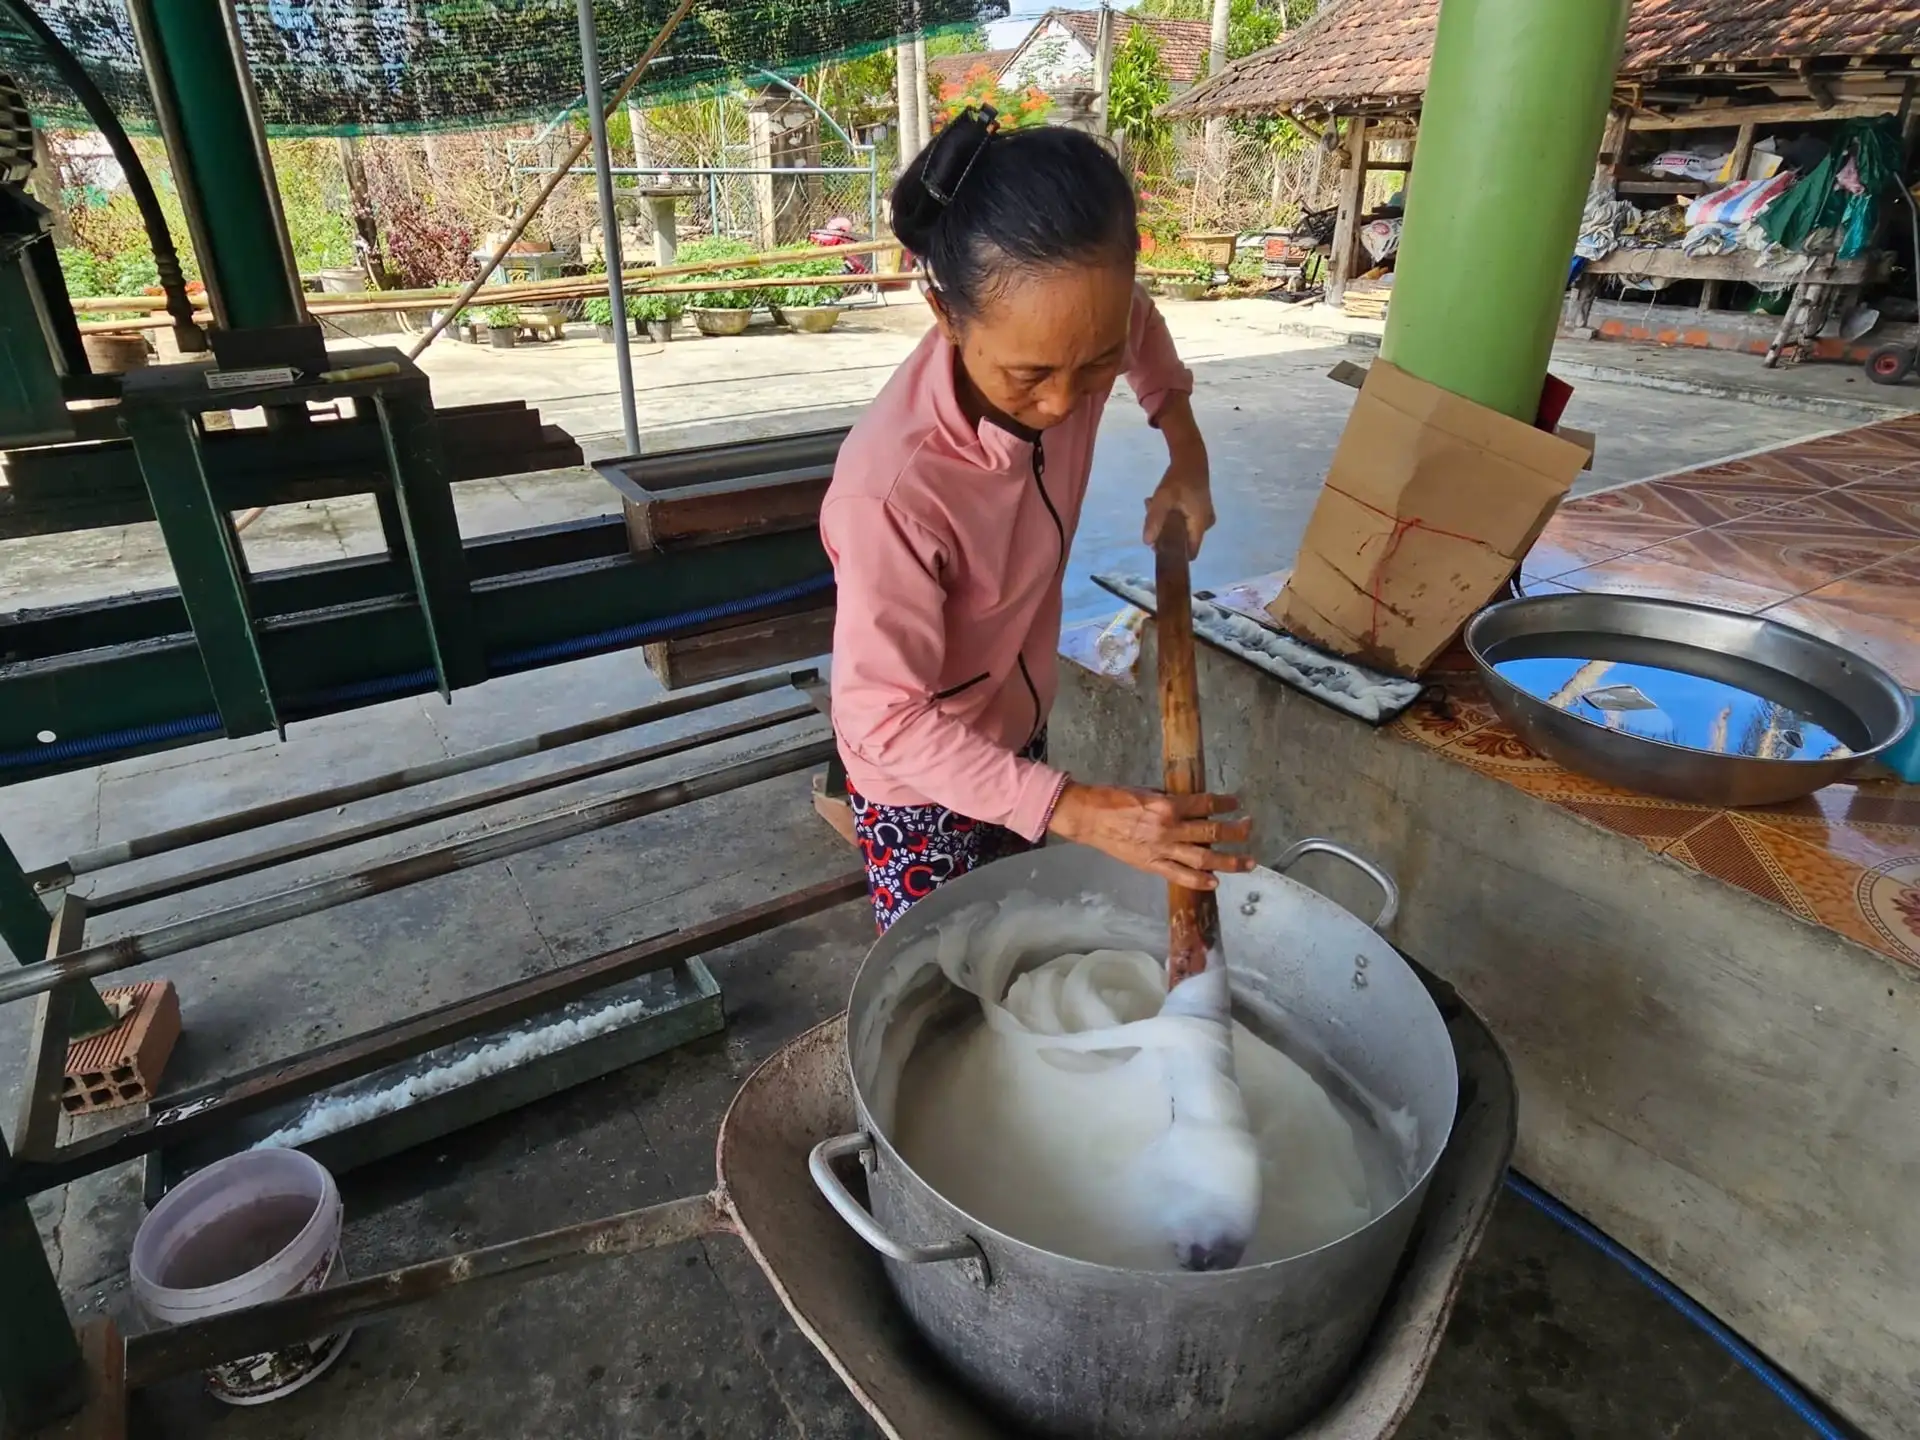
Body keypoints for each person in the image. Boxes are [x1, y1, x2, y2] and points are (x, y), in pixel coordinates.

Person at [821, 107, 1253, 933]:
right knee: (949, 979)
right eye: (1029, 375)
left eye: (1092, 366)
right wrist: (1076, 810)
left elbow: (1141, 328)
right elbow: (880, 715)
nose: (1061, 403)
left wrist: (1185, 451)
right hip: (919, 783)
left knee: (1022, 929)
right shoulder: (893, 493)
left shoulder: (1090, 323)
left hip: (1021, 723)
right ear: (947, 316)